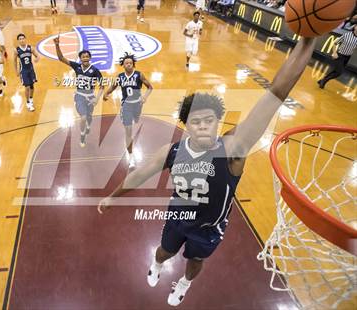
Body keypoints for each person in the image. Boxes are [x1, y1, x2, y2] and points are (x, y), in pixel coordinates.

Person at [98, 37, 316, 306]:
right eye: (195, 121)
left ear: (217, 121)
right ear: (186, 124)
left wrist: (308, 40)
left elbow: (276, 93)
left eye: (209, 120)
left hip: (209, 229)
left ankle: (185, 284)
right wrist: (112, 196)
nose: (203, 126)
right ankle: (156, 265)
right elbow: (139, 175)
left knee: (195, 260)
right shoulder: (173, 151)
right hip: (178, 217)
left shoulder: (233, 148)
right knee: (165, 252)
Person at [102, 53, 153, 168]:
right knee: (128, 131)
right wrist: (106, 93)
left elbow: (150, 87)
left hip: (137, 105)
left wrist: (145, 97)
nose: (129, 65)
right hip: (126, 106)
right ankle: (131, 157)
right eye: (126, 63)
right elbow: (113, 87)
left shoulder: (139, 75)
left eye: (131, 63)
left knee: (136, 120)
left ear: (133, 64)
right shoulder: (120, 77)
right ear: (123, 65)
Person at [53, 34, 104, 147]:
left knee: (89, 117)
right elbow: (61, 58)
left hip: (90, 97)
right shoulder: (77, 67)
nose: (85, 58)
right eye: (83, 56)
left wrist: (97, 97)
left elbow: (102, 86)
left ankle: (88, 126)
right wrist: (57, 45)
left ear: (90, 58)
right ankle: (82, 135)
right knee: (83, 117)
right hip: (80, 96)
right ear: (80, 59)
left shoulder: (95, 70)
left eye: (87, 56)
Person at [14, 33, 40, 112]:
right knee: (27, 87)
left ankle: (31, 98)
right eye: (20, 39)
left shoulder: (30, 48)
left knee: (32, 86)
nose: (22, 40)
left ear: (25, 39)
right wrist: (16, 71)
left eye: (23, 38)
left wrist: (37, 59)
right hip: (23, 70)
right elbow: (14, 61)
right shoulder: (16, 50)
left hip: (31, 70)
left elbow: (37, 56)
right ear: (18, 41)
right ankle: (28, 102)